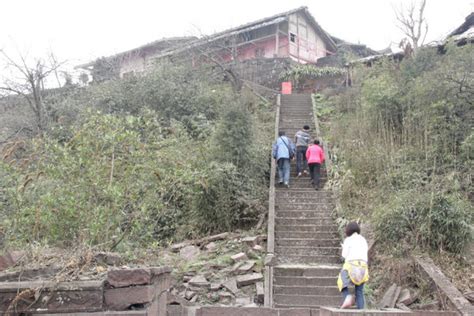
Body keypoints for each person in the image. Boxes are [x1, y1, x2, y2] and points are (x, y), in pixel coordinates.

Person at [337, 221, 369, 310]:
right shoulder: (363, 240)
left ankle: (347, 297)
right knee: (359, 291)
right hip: (363, 267)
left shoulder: (348, 240)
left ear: (348, 230)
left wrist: (344, 247)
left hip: (351, 265)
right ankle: (361, 311)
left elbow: (344, 255)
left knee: (342, 282)